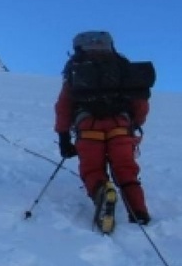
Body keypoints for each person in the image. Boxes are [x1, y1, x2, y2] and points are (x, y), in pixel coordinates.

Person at [54, 31, 152, 225]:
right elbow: (140, 102)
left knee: (92, 169)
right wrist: (134, 124)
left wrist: (64, 137)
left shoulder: (76, 70)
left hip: (88, 128)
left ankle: (102, 193)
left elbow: (63, 107)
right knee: (125, 170)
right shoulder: (122, 68)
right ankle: (139, 213)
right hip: (120, 127)